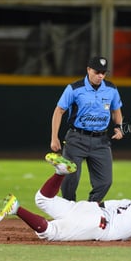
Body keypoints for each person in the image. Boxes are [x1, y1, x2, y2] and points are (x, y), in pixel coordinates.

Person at [0, 153, 131, 242]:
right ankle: (16, 208)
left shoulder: (130, 202)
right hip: (97, 224)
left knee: (43, 199)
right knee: (50, 233)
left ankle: (60, 173)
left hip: (88, 209)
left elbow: (100, 204)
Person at [50, 56, 124, 202]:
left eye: (103, 72)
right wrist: (54, 137)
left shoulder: (111, 89)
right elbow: (58, 111)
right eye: (97, 72)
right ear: (88, 70)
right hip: (77, 139)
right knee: (69, 181)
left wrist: (119, 127)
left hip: (101, 141)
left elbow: (117, 110)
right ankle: (69, 210)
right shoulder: (75, 88)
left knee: (105, 182)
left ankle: (89, 209)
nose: (100, 76)